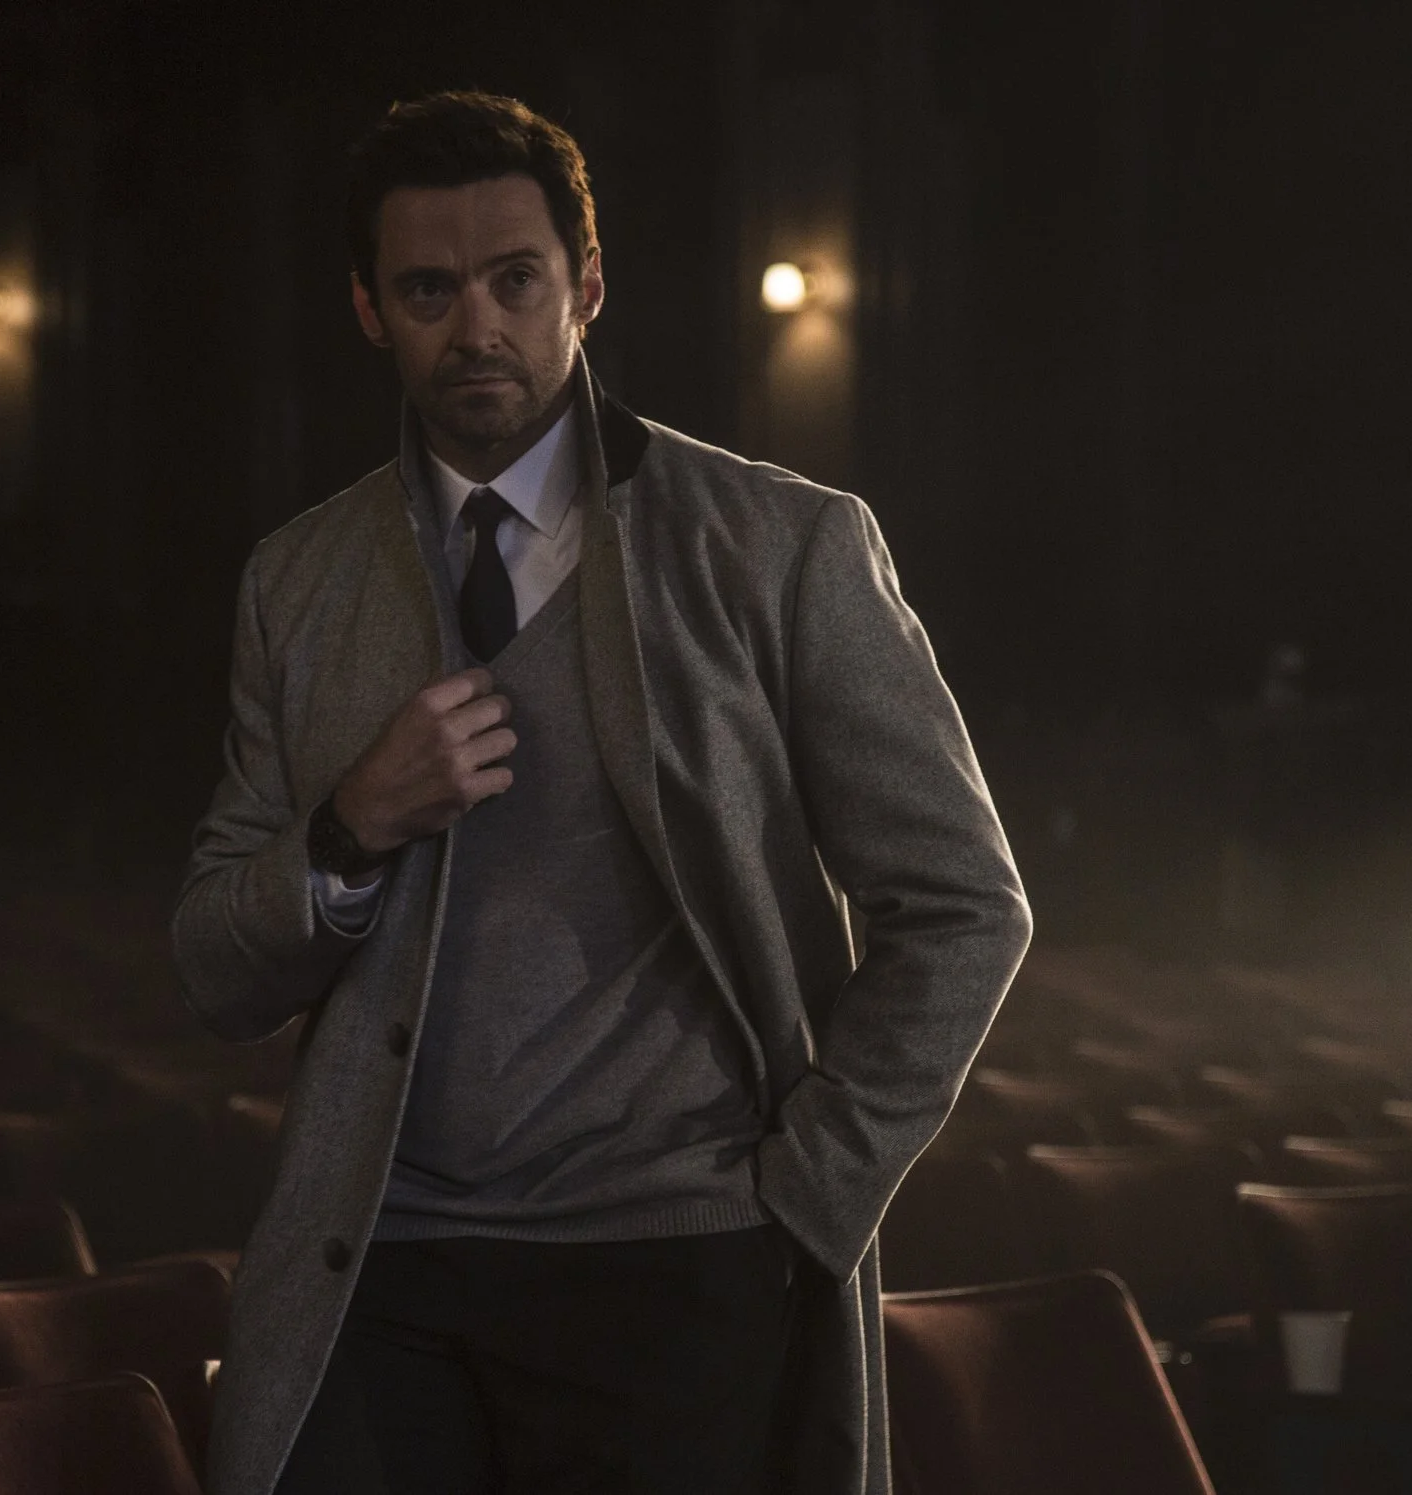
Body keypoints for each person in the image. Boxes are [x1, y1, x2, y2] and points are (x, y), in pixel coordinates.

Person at [173, 90, 1030, 1495]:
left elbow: (966, 906)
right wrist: (350, 828)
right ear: (370, 309)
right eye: (431, 289)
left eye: (516, 280)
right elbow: (214, 966)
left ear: (587, 284)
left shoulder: (780, 546)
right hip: (385, 1274)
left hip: (682, 1262)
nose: (478, 327)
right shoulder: (300, 580)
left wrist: (805, 1199)